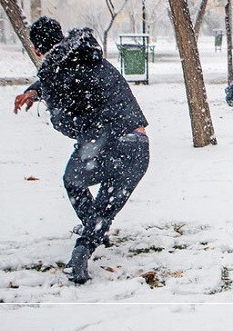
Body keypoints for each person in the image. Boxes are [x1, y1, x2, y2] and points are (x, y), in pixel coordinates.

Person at [14, 17, 150, 284]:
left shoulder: (54, 75)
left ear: (37, 50)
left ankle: (89, 236)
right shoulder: (86, 52)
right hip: (138, 145)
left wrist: (52, 108)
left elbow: (66, 124)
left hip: (101, 146)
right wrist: (35, 90)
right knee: (106, 203)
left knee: (73, 181)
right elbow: (74, 74)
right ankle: (91, 236)